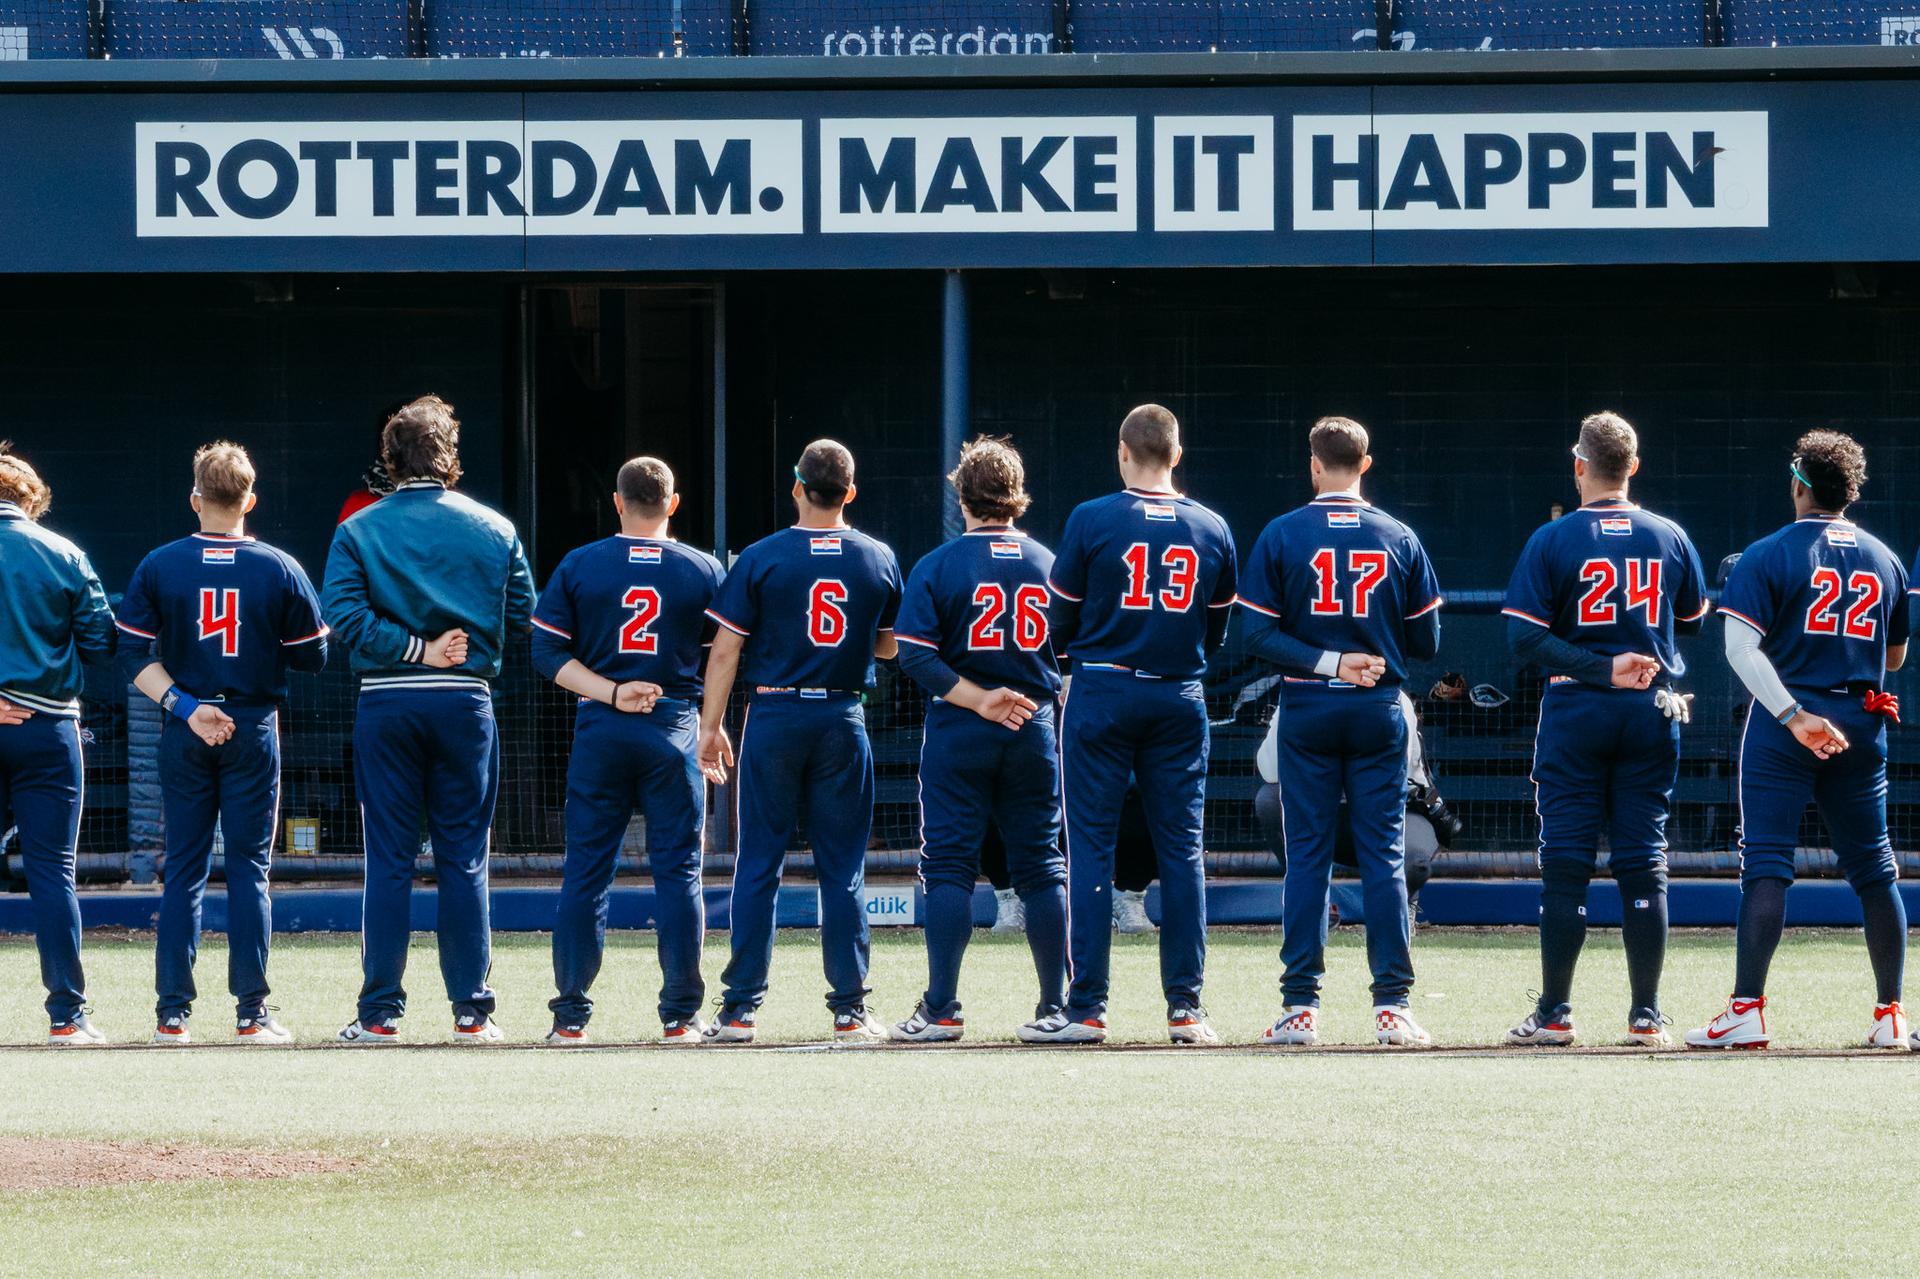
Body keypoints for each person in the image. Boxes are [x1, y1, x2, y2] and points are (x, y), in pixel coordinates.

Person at [321, 395, 535, 1045]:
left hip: (388, 699)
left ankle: (379, 1014)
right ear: (450, 457)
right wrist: (459, 645)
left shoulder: (359, 528)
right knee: (464, 859)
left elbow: (345, 618)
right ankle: (473, 1012)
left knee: (388, 860)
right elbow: (526, 613)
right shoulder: (495, 528)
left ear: (390, 459)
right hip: (466, 700)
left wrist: (415, 648)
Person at [1688, 431, 1910, 1050]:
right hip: (1862, 723)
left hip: (1790, 726)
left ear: (1799, 484)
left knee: (1766, 864)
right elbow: (1894, 657)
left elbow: (1740, 649)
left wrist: (1792, 714)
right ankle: (1891, 1014)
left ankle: (1747, 1010)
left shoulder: (1768, 553)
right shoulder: (1884, 557)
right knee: (1875, 868)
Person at [1027, 404, 1237, 1045]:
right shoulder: (1212, 525)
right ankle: (1186, 1010)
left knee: (1091, 847)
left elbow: (1055, 624)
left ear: (1124, 452)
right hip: (1178, 695)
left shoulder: (1092, 517)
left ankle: (1087, 1009)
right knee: (1183, 852)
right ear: (1178, 454)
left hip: (1103, 690)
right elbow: (1218, 629)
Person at [1499, 413, 1710, 1049]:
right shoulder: (1669, 535)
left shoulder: (1553, 538)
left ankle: (1556, 1013)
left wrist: (1598, 665)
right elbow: (1692, 621)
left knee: (1566, 864)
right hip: (1650, 710)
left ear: (1579, 465)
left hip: (1578, 710)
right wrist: (1629, 655)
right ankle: (1646, 1016)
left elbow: (1522, 638)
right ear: (1635, 467)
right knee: (1644, 863)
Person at [1236, 416, 1442, 1047]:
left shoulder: (1281, 533)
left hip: (1308, 708)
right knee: (1381, 857)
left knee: (1308, 860)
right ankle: (1392, 1008)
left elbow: (1257, 636)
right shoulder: (1399, 536)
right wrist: (1362, 651)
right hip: (1378, 706)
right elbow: (1427, 641)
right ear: (1367, 464)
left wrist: (1326, 659)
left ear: (1314, 465)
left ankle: (1300, 1008)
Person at [116, 442, 329, 1046]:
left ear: (195, 498)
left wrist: (188, 707)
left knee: (182, 870)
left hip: (186, 725)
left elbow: (132, 655)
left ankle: (171, 1016)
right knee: (248, 871)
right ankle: (251, 1014)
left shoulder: (160, 563)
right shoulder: (279, 566)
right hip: (252, 725)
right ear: (250, 500)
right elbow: (314, 656)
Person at [696, 440, 903, 1043]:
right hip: (842, 716)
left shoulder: (761, 556)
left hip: (776, 715)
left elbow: (727, 649)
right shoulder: (876, 556)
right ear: (851, 492)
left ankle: (739, 1011)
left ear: (797, 487)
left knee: (759, 864)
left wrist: (710, 727)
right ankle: (850, 1009)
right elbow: (890, 645)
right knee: (842, 870)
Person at [532, 457, 724, 1047]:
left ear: (616, 502)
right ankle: (680, 1018)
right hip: (675, 726)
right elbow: (724, 654)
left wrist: (614, 691)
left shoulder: (581, 564)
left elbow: (546, 656)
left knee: (586, 876)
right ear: (673, 502)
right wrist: (713, 722)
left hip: (603, 726)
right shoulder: (704, 569)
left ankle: (569, 1018)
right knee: (679, 874)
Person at [888, 436, 1066, 1042]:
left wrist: (977, 698)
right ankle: (1055, 1008)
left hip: (962, 727)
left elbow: (913, 657)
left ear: (961, 494)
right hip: (1031, 725)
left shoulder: (937, 565)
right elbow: (1073, 653)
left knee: (949, 869)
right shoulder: (1049, 563)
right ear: (1017, 497)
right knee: (1042, 867)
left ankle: (942, 1008)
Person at [0, 445, 116, 1044]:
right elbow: (100, 643)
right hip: (47, 728)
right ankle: (67, 1016)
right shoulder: (64, 552)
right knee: (53, 872)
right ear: (31, 501)